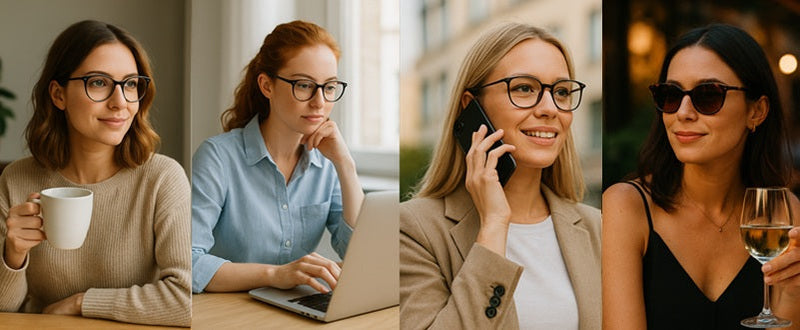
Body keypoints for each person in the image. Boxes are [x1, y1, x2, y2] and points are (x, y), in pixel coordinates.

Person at [400, 22, 601, 329]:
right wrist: (494, 225)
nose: (550, 108)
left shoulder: (598, 227)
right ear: (472, 107)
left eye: (561, 92)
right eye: (524, 88)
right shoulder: (414, 230)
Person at [603, 24, 800, 329]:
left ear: (756, 111)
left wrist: (792, 291)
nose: (683, 112)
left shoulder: (783, 212)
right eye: (670, 95)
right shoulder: (625, 207)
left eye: (707, 95)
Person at [0, 20, 190, 326]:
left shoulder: (163, 179)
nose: (120, 103)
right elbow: (5, 313)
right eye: (99, 82)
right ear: (58, 95)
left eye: (130, 84)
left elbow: (184, 300)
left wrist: (80, 303)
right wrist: (13, 255)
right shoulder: (17, 179)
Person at [191, 20, 364, 294]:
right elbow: (189, 262)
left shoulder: (328, 164)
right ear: (267, 85)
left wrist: (347, 167)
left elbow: (360, 257)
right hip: (228, 312)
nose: (319, 102)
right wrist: (275, 274)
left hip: (296, 310)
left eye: (329, 87)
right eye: (304, 85)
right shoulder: (218, 158)